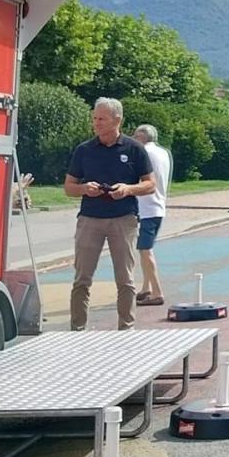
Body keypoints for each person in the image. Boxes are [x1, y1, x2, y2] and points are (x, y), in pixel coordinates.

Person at [63, 97, 156, 331]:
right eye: (94, 118)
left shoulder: (134, 149)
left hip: (123, 219)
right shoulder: (84, 150)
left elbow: (150, 184)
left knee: (125, 279)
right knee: (82, 278)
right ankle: (77, 329)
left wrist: (127, 189)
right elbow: (69, 187)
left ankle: (126, 328)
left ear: (118, 120)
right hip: (90, 219)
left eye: (102, 119)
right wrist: (84, 189)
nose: (97, 123)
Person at [132, 124, 172, 307]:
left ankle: (157, 292)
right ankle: (146, 287)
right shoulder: (163, 153)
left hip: (147, 207)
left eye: (135, 136)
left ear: (141, 137)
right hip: (159, 205)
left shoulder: (143, 152)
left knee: (145, 250)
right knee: (145, 249)